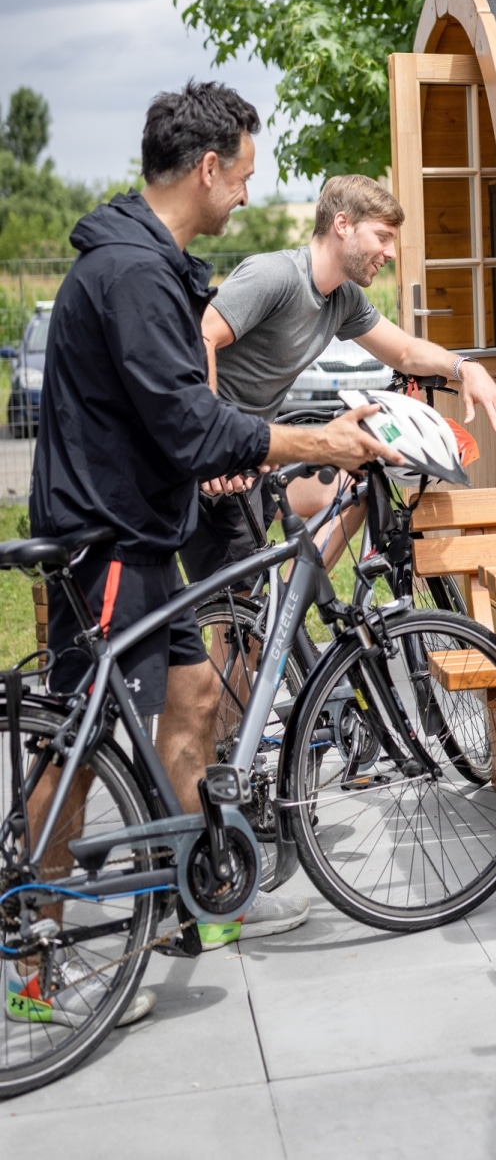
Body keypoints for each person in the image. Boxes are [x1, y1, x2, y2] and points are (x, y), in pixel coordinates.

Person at [22, 81, 395, 1013]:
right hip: (104, 540)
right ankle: (33, 949)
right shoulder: (137, 273)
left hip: (144, 530)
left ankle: (203, 899)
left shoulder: (148, 259)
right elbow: (190, 422)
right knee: (77, 741)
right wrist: (320, 441)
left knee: (194, 695)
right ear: (207, 167)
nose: (246, 191)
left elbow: (182, 418)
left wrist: (271, 440)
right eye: (244, 174)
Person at [179, 172, 496, 583]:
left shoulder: (343, 298)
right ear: (342, 225)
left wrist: (465, 367)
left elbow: (404, 350)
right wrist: (211, 440)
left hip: (254, 449)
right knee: (236, 625)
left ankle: (287, 602)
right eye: (382, 236)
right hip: (211, 461)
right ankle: (266, 621)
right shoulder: (276, 276)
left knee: (356, 490)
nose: (389, 252)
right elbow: (199, 336)